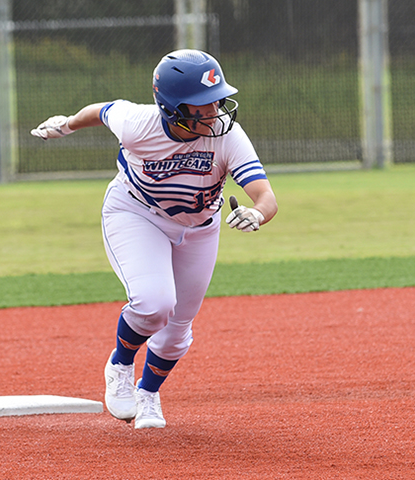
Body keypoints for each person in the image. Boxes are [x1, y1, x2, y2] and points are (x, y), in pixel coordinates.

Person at [31, 49, 277, 429]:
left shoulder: (227, 138)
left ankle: (148, 393)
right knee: (154, 303)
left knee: (178, 329)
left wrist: (256, 213)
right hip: (136, 214)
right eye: (201, 105)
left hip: (198, 229)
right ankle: (120, 365)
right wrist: (66, 125)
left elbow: (266, 196)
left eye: (217, 100)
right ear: (172, 107)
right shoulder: (138, 124)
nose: (214, 111)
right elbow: (101, 110)